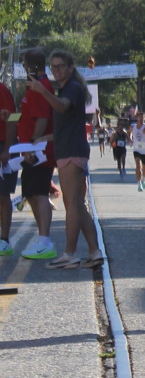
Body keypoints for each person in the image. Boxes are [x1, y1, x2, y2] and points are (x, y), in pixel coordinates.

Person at [25, 51, 102, 269]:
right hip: (68, 149)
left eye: (60, 66)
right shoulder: (67, 88)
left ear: (70, 67)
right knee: (77, 204)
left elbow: (61, 106)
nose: (56, 70)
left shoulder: (72, 88)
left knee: (72, 204)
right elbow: (67, 125)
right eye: (53, 67)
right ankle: (94, 251)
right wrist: (45, 138)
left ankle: (70, 253)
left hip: (71, 152)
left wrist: (42, 90)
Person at [15, 48, 57, 261]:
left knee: (39, 194)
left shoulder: (41, 87)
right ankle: (43, 239)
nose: (23, 68)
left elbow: (42, 118)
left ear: (32, 66)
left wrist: (32, 146)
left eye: (24, 64)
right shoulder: (33, 86)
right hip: (30, 151)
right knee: (31, 193)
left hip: (39, 152)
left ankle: (45, 241)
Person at [0, 74, 16, 257]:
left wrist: (7, 150)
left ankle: (4, 240)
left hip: (3, 145)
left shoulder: (2, 91)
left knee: (3, 195)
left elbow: (12, 121)